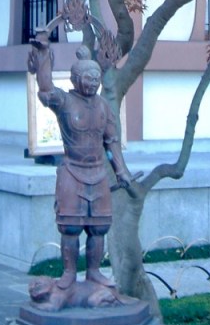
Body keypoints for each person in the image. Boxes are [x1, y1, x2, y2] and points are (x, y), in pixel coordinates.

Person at [29, 35, 133, 290]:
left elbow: (112, 141)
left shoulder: (104, 107)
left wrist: (121, 171)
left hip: (98, 173)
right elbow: (45, 90)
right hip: (72, 172)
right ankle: (69, 273)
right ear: (76, 79)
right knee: (71, 227)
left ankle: (95, 271)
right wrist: (43, 54)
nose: (93, 82)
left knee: (98, 227)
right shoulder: (64, 102)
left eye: (96, 78)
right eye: (88, 77)